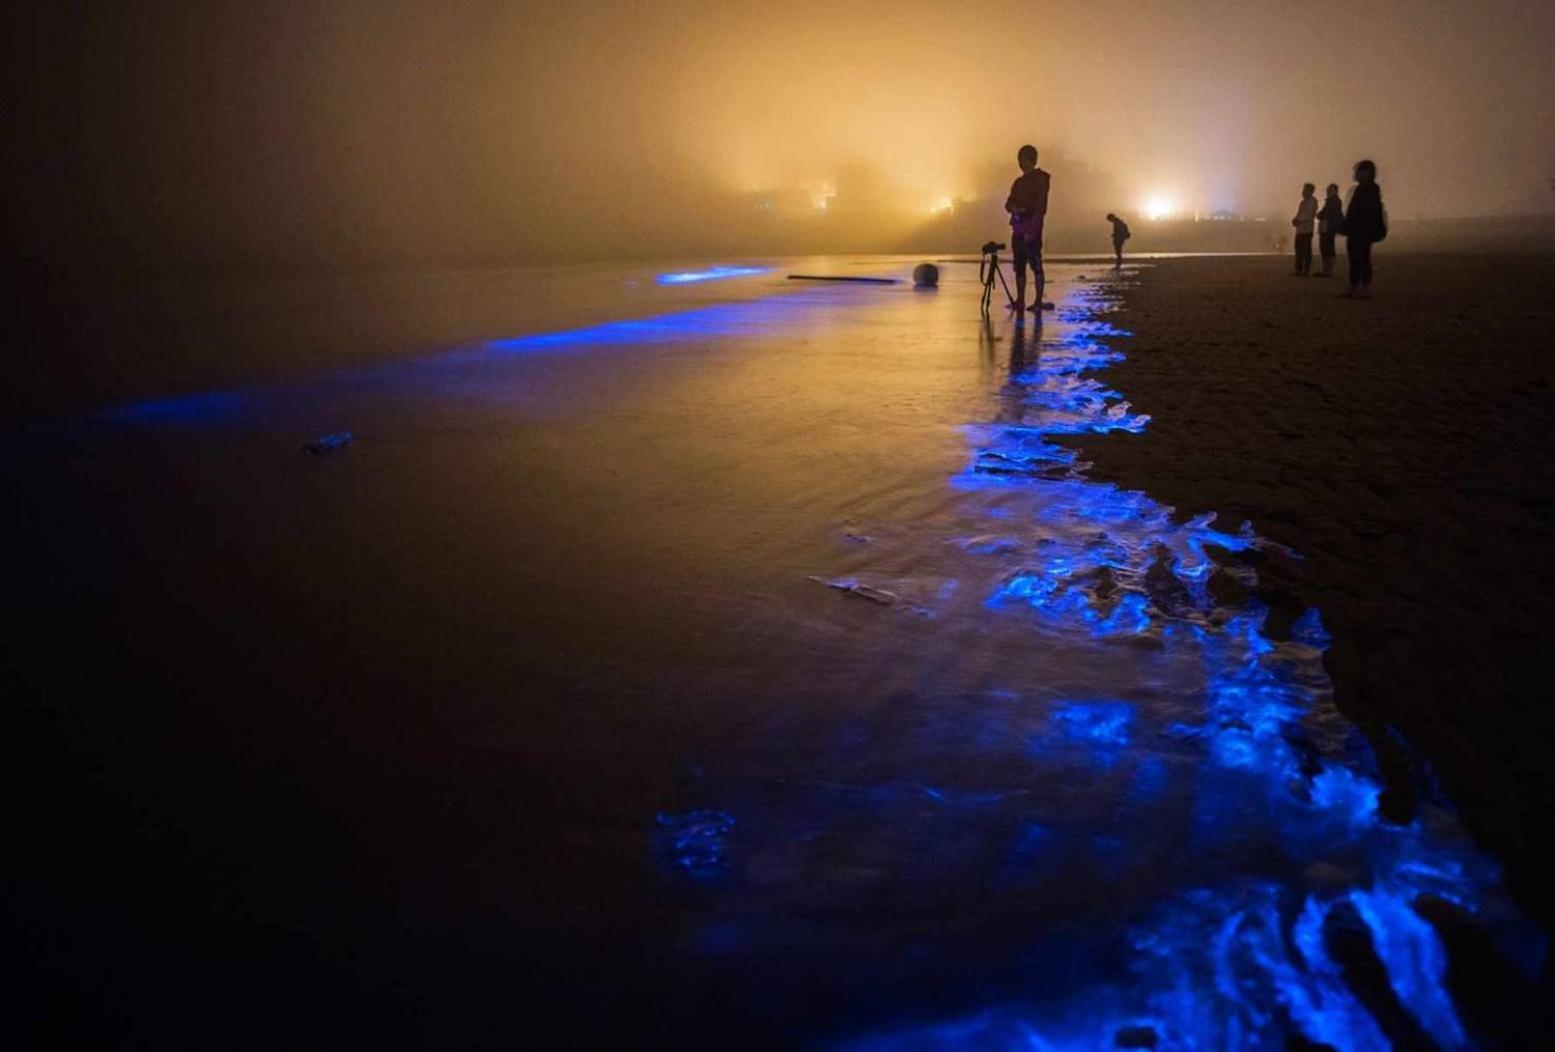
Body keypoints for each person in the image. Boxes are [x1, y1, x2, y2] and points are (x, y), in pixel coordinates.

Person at [1005, 144, 1051, 313]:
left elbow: (1040, 208)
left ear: (1031, 160)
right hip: (1018, 228)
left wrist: (1032, 231)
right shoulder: (1018, 183)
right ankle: (1020, 300)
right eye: (1019, 160)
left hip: (1032, 228)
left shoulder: (1041, 180)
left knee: (1036, 265)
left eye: (1023, 160)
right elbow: (1008, 203)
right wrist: (1013, 208)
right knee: (1019, 266)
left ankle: (1038, 301)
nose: (1021, 164)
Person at [1341, 159, 1386, 299]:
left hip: (1364, 230)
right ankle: (1354, 287)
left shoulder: (1372, 189)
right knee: (1354, 259)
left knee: (1363, 258)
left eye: (1359, 171)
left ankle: (1365, 288)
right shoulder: (1360, 189)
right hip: (1355, 230)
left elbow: (1372, 212)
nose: (1357, 174)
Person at [1316, 183, 1343, 277]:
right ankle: (1327, 270)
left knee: (1327, 248)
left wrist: (1321, 215)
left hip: (1329, 227)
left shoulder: (1334, 201)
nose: (1329, 192)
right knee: (1326, 248)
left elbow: (1324, 214)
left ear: (1335, 191)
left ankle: (1328, 270)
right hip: (1328, 227)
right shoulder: (1333, 201)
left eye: (1331, 190)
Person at [1290, 183, 1318, 275]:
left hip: (1306, 230)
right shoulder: (1303, 202)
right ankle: (1299, 268)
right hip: (1300, 229)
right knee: (1299, 249)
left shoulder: (1313, 202)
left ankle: (1306, 269)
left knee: (1306, 250)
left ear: (1310, 191)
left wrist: (1299, 220)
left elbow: (1310, 215)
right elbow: (1299, 213)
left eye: (1305, 190)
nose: (1303, 192)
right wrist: (1295, 219)